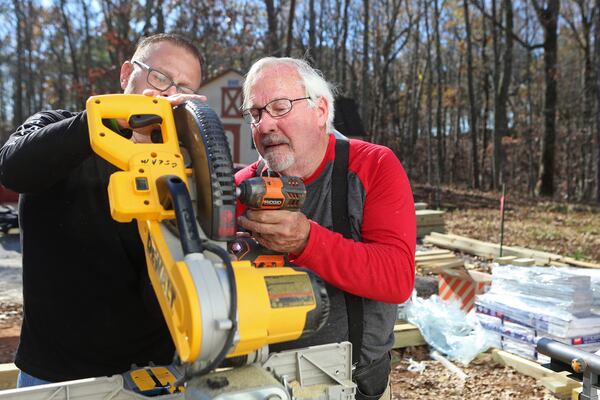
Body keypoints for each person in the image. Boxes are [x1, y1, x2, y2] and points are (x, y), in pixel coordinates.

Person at [0, 33, 206, 387]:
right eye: (159, 77)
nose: (165, 94)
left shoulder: (185, 164)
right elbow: (14, 168)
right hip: (55, 376)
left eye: (181, 88)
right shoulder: (62, 128)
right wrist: (109, 123)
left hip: (153, 374)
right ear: (127, 74)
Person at [235, 57, 416, 400]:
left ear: (321, 110)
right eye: (256, 113)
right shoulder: (241, 187)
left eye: (280, 107)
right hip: (261, 382)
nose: (265, 124)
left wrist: (307, 240)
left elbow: (397, 278)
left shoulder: (373, 166)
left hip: (352, 383)